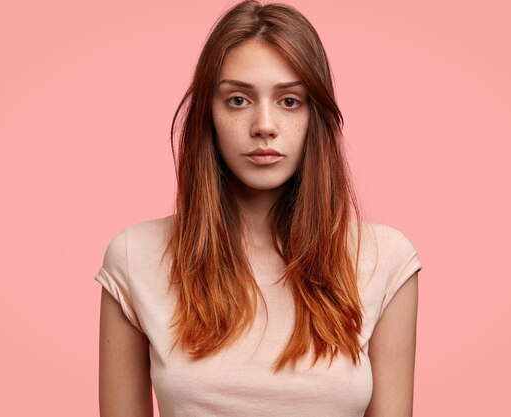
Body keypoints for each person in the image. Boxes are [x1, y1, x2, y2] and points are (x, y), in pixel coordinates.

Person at [95, 1, 423, 416]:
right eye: (237, 100)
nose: (264, 125)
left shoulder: (384, 259)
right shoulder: (134, 256)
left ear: (314, 116)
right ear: (208, 117)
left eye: (289, 101)